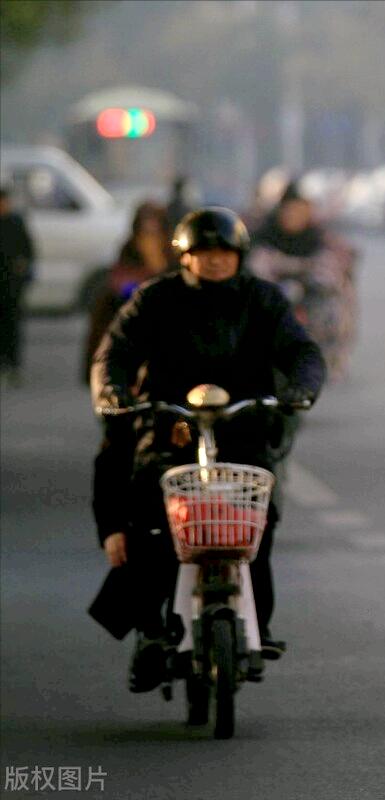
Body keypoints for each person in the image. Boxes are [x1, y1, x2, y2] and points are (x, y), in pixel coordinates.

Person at [90, 207, 326, 692]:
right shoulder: (154, 299)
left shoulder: (263, 299)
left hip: (244, 429)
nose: (215, 260)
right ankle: (151, 631)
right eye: (204, 252)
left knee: (257, 523)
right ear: (185, 256)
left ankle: (258, 624)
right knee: (152, 520)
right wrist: (113, 391)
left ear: (239, 256)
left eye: (224, 252)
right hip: (170, 429)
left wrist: (301, 387)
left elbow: (301, 351)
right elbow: (114, 353)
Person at [249, 182, 357, 381]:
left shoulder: (320, 239)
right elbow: (256, 270)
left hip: (313, 298)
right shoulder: (262, 237)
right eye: (289, 211)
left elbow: (335, 269)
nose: (294, 216)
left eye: (300, 211)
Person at [81, 201, 174, 384]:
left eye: (154, 223)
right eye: (146, 224)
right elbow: (120, 278)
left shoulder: (171, 249)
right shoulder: (129, 247)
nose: (150, 229)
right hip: (131, 304)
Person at [0, 186, 36, 387]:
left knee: (13, 326)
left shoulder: (15, 222)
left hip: (12, 285)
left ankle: (14, 367)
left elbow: (28, 251)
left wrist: (23, 271)